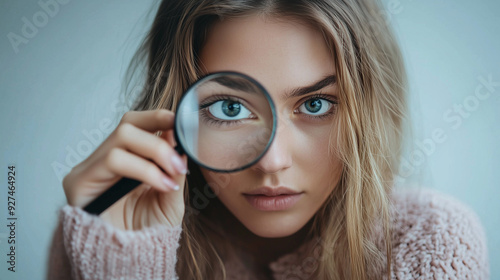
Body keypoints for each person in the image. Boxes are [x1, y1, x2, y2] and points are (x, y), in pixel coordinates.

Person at [46, 0, 490, 279]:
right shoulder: (108, 225)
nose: (272, 162)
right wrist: (123, 260)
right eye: (230, 109)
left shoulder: (429, 241)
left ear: (368, 110)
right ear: (174, 110)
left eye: (316, 104)